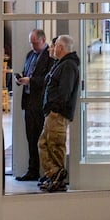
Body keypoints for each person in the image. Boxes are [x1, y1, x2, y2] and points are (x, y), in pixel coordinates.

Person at [37, 35, 81, 193]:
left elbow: (65, 92)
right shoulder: (60, 64)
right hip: (52, 113)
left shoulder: (68, 65)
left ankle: (57, 176)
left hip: (58, 114)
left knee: (55, 145)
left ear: (61, 48)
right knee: (43, 144)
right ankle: (53, 174)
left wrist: (55, 108)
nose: (53, 48)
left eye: (55, 46)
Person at [14, 29, 53, 181]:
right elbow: (27, 72)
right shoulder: (30, 55)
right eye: (31, 43)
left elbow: (48, 79)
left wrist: (30, 81)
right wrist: (21, 80)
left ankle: (48, 172)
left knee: (43, 140)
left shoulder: (50, 56)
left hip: (41, 103)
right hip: (28, 102)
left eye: (35, 43)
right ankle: (33, 170)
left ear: (43, 40)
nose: (32, 46)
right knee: (31, 138)